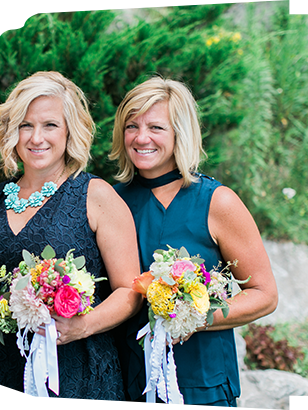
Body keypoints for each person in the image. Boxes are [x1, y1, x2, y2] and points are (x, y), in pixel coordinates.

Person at [109, 77, 277, 410]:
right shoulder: (111, 203)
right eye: (132, 126)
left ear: (180, 133)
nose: (141, 138)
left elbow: (264, 295)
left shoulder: (218, 202)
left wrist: (192, 317)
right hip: (130, 382)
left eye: (156, 127)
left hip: (201, 382)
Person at [0, 71, 142, 409]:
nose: (36, 137)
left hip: (77, 376)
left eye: (50, 125)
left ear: (70, 131)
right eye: (26, 125)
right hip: (1, 375)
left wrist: (82, 326)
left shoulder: (96, 196)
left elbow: (130, 291)